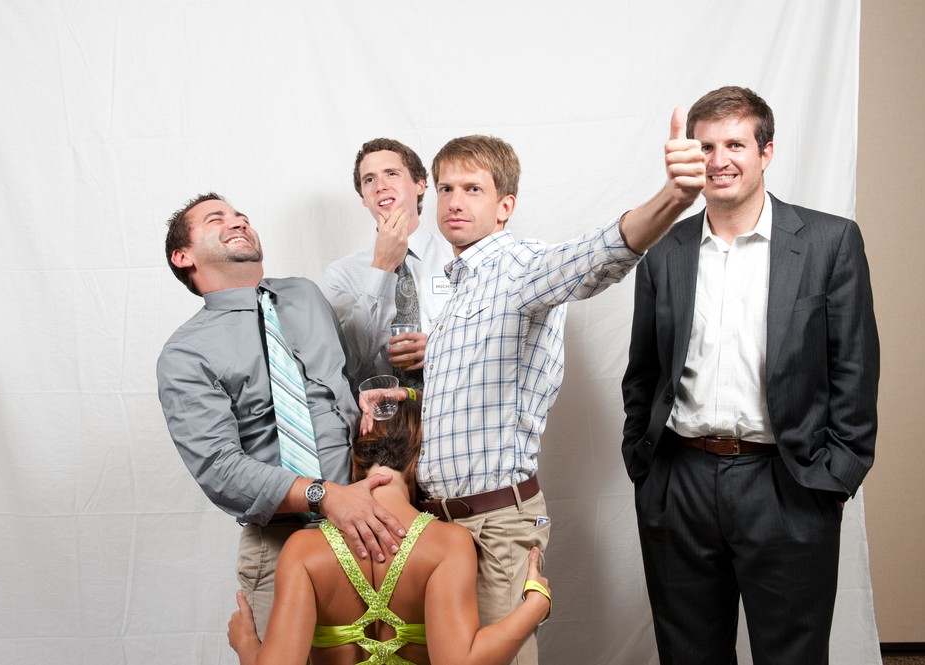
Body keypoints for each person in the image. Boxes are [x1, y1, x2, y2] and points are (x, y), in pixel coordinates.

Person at [408, 111, 706, 664]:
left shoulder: (517, 266)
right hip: (437, 525)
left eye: (473, 189)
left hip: (496, 526)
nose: (454, 200)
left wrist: (673, 197)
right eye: (446, 188)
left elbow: (597, 256)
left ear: (505, 206)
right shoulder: (458, 292)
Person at [621, 86, 879, 665]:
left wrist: (833, 480)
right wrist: (646, 469)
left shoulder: (829, 242)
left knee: (791, 656)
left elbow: (855, 371)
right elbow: (643, 372)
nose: (719, 160)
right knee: (689, 654)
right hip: (680, 482)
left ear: (766, 152)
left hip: (787, 483)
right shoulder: (664, 249)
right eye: (706, 146)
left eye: (735, 144)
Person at [156, 193, 405, 639]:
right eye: (216, 219)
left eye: (241, 216)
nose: (238, 221)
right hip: (281, 541)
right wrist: (324, 495)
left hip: (370, 526)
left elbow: (348, 375)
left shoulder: (304, 294)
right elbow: (219, 469)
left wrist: (363, 399)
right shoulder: (186, 354)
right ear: (183, 256)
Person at [227, 398, 553, 665]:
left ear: (356, 459)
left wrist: (246, 645)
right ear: (420, 460)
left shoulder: (302, 551)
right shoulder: (447, 544)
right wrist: (535, 606)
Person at [324, 138, 453, 390]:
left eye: (391, 174)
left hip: (452, 403)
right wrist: (382, 267)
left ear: (420, 184)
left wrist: (440, 349)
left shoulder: (456, 257)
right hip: (381, 410)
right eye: (369, 179)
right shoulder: (341, 274)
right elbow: (352, 360)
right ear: (364, 198)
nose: (380, 186)